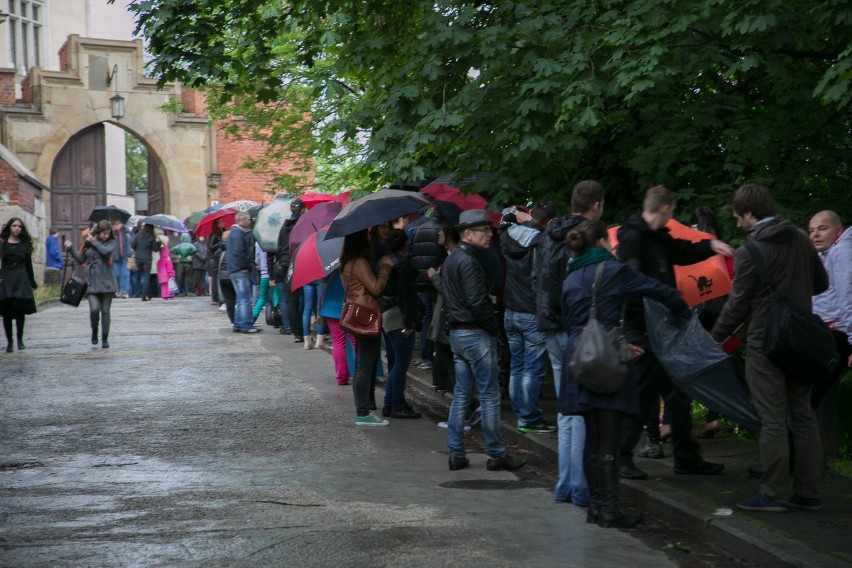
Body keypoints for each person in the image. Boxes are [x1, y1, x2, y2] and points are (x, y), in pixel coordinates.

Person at [561, 220, 692, 528]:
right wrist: (685, 318)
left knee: (591, 439)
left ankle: (595, 507)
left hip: (579, 358)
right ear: (601, 242)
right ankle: (609, 510)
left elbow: (570, 322)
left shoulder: (571, 276)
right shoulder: (615, 270)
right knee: (608, 438)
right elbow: (662, 292)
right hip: (606, 361)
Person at [711, 184, 828, 512]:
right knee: (804, 415)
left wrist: (713, 339)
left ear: (749, 212)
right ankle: (808, 492)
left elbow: (736, 306)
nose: (737, 224)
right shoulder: (802, 241)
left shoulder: (751, 251)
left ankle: (773, 493)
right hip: (801, 341)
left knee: (772, 419)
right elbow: (822, 284)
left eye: (737, 216)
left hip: (766, 342)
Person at [616, 185, 733, 480]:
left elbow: (681, 251)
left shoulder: (658, 237)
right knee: (642, 396)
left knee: (678, 393)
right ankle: (620, 458)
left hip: (664, 330)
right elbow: (630, 283)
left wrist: (709, 246)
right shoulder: (633, 238)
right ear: (667, 208)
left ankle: (686, 458)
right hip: (642, 330)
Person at [537, 180, 605, 505]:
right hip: (576, 328)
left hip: (550, 325)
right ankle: (578, 486)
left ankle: (565, 482)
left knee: (566, 409)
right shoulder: (585, 237)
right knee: (580, 409)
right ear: (597, 205)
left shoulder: (548, 235)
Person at [443, 209, 526, 472]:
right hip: (475, 333)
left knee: (461, 395)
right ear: (468, 234)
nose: (490, 234)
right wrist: (493, 327)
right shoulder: (469, 261)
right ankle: (497, 454)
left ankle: (456, 453)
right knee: (489, 396)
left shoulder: (454, 259)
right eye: (484, 231)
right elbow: (477, 302)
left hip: (458, 333)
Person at [501, 200, 557, 434]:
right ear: (551, 222)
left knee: (517, 366)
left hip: (511, 309)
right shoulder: (544, 241)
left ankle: (521, 412)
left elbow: (504, 218)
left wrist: (515, 215)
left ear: (531, 213)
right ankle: (529, 418)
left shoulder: (508, 234)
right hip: (532, 312)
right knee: (533, 369)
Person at [341, 228, 393, 426]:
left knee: (362, 366)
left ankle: (362, 412)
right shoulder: (359, 262)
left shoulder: (347, 261)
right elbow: (376, 288)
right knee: (364, 367)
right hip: (366, 314)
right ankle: (363, 413)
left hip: (357, 313)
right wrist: (385, 269)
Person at [379, 229, 423, 419]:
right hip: (399, 316)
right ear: (405, 244)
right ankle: (396, 404)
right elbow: (407, 295)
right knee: (401, 363)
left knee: (395, 361)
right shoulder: (402, 264)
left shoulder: (382, 262)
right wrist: (410, 321)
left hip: (385, 314)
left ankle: (391, 402)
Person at [809, 210, 852, 382]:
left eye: (822, 228)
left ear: (839, 231)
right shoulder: (824, 254)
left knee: (806, 394)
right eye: (811, 231)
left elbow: (847, 296)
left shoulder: (841, 252)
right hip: (826, 332)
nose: (815, 235)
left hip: (837, 334)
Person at [65, 220, 119, 348]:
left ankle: (105, 338)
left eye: (108, 233)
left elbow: (106, 252)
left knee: (105, 311)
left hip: (107, 281)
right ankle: (94, 331)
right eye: (104, 234)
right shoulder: (88, 242)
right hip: (92, 282)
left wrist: (94, 241)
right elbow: (80, 259)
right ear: (98, 232)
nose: (106, 236)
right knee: (94, 309)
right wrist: (71, 249)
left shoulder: (111, 242)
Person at [409, 213, 447, 370]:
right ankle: (438, 355)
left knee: (426, 319)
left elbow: (413, 253)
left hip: (420, 279)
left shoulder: (419, 229)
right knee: (438, 317)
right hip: (436, 279)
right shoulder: (442, 230)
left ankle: (426, 357)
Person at [0, 217, 38, 352]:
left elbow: (28, 264)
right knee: (6, 311)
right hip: (6, 276)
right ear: (9, 227)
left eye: (19, 226)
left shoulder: (24, 244)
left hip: (21, 276)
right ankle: (9, 342)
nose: (17, 228)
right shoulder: (2, 243)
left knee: (19, 310)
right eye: (14, 226)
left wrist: (32, 281)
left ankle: (20, 340)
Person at [275, 198, 306, 340]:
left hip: (286, 265)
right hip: (301, 263)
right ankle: (304, 332)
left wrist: (282, 262)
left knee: (291, 300)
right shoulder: (303, 224)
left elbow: (279, 248)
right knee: (307, 298)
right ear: (303, 210)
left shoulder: (284, 226)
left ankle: (297, 333)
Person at [319, 270, 355, 386]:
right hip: (352, 307)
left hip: (331, 308)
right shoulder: (355, 263)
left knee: (338, 342)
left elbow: (322, 280)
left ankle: (342, 377)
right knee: (356, 342)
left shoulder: (330, 265)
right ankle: (361, 374)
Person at [227, 211, 260, 334]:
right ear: (242, 219)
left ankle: (238, 323)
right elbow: (239, 252)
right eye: (248, 219)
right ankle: (245, 324)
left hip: (235, 269)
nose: (250, 221)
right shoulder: (238, 233)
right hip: (240, 270)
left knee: (241, 298)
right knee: (245, 298)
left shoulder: (235, 232)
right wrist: (244, 266)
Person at [131, 224, 158, 301]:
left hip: (138, 258)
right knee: (146, 276)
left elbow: (133, 246)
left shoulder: (137, 235)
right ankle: (144, 294)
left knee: (142, 276)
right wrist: (158, 243)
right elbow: (155, 249)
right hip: (147, 259)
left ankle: (148, 293)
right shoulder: (151, 237)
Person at [111, 219, 133, 298]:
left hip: (125, 256)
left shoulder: (126, 232)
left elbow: (131, 241)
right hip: (115, 256)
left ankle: (125, 291)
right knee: (116, 274)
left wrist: (130, 252)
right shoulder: (112, 233)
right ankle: (117, 290)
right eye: (114, 224)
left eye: (118, 224)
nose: (116, 226)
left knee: (125, 273)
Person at [156, 235, 176, 300]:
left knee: (163, 287)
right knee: (169, 286)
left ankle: (164, 295)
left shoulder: (159, 261)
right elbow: (170, 268)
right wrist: (172, 275)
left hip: (161, 277)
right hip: (168, 276)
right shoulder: (167, 260)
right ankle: (170, 295)